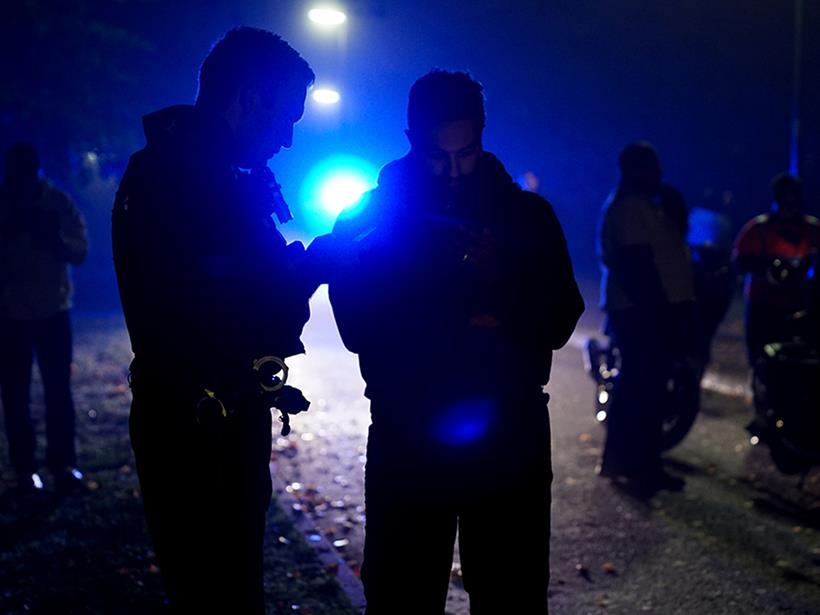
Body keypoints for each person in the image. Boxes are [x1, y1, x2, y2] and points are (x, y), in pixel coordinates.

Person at [324, 70, 583, 614]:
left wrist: (505, 287)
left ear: (483, 136)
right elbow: (354, 326)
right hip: (407, 429)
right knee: (402, 594)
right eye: (439, 158)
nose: (454, 172)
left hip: (510, 434)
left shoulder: (526, 216)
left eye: (466, 154)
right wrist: (437, 301)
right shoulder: (373, 218)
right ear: (413, 140)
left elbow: (562, 317)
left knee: (512, 594)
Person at [112, 28, 315, 614]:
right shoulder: (190, 181)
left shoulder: (191, 170)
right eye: (286, 117)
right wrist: (315, 265)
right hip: (198, 429)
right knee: (217, 593)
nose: (287, 136)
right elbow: (231, 308)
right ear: (250, 99)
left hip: (208, 417)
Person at [597, 142, 693, 493]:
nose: (659, 175)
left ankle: (641, 463)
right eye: (652, 168)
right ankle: (635, 465)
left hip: (647, 311)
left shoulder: (644, 207)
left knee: (647, 390)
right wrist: (661, 314)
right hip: (641, 313)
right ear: (636, 170)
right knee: (642, 391)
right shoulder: (629, 209)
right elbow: (638, 268)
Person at [0, 143, 88, 494]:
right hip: (10, 312)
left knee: (57, 392)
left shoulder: (55, 202)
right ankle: (26, 468)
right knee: (16, 394)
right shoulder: (6, 203)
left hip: (52, 308)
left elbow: (79, 250)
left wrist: (52, 239)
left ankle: (62, 464)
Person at [732, 173, 820, 365]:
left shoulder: (812, 229)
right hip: (763, 308)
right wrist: (768, 269)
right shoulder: (758, 229)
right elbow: (740, 262)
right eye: (785, 199)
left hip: (801, 308)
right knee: (762, 362)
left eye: (794, 199)